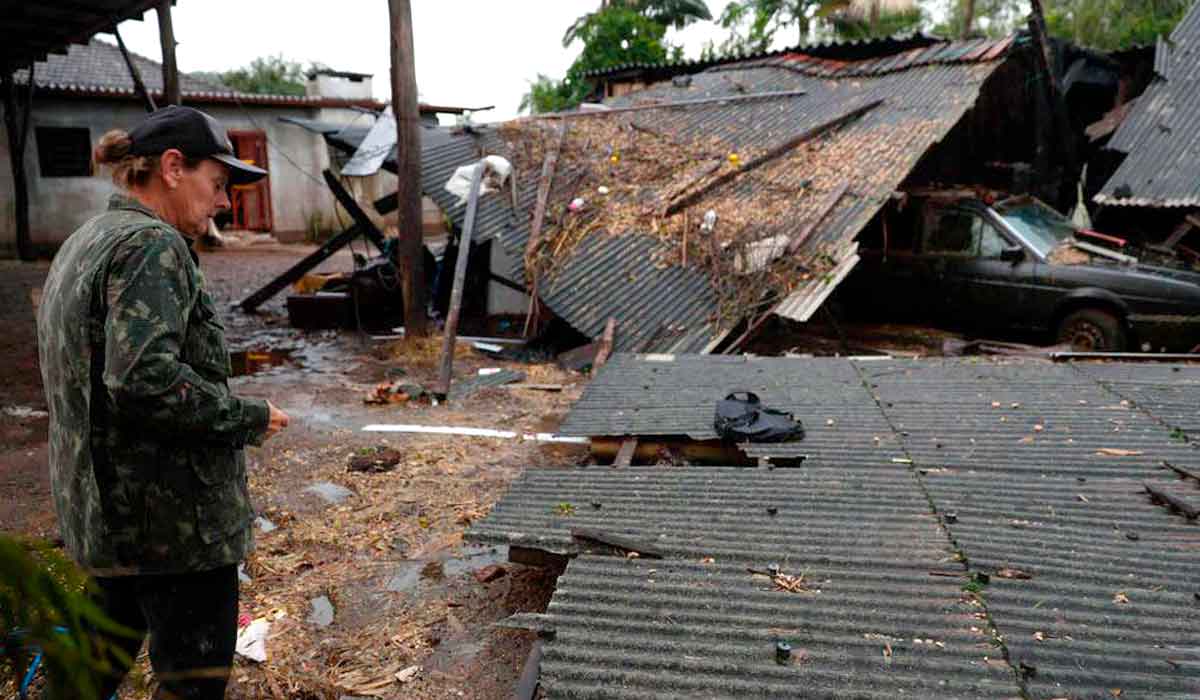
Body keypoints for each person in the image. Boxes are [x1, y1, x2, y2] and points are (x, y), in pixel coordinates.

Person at [36, 105, 290, 699]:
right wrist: (247, 416)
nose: (224, 203)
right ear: (173, 168)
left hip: (108, 517)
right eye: (218, 183)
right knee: (190, 684)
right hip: (174, 531)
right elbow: (143, 380)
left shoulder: (86, 240)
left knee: (85, 671)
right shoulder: (153, 245)